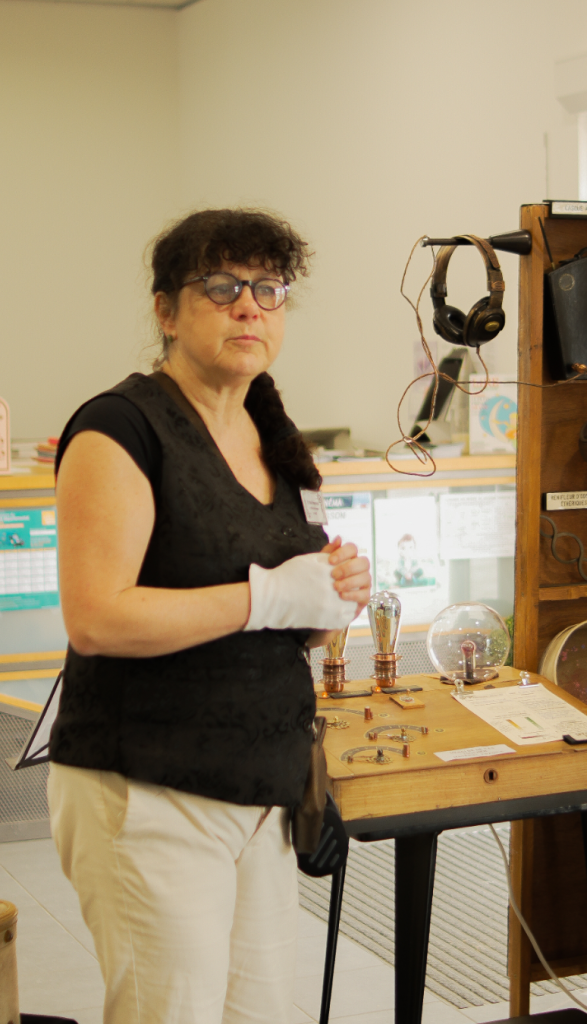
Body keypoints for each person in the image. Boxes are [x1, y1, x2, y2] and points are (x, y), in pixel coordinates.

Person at [47, 208, 371, 1024]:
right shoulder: (122, 427)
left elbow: (293, 627)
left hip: (261, 789)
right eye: (221, 287)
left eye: (268, 288)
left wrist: (331, 598)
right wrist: (270, 596)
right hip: (148, 788)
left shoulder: (275, 438)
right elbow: (96, 619)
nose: (249, 306)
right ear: (166, 311)